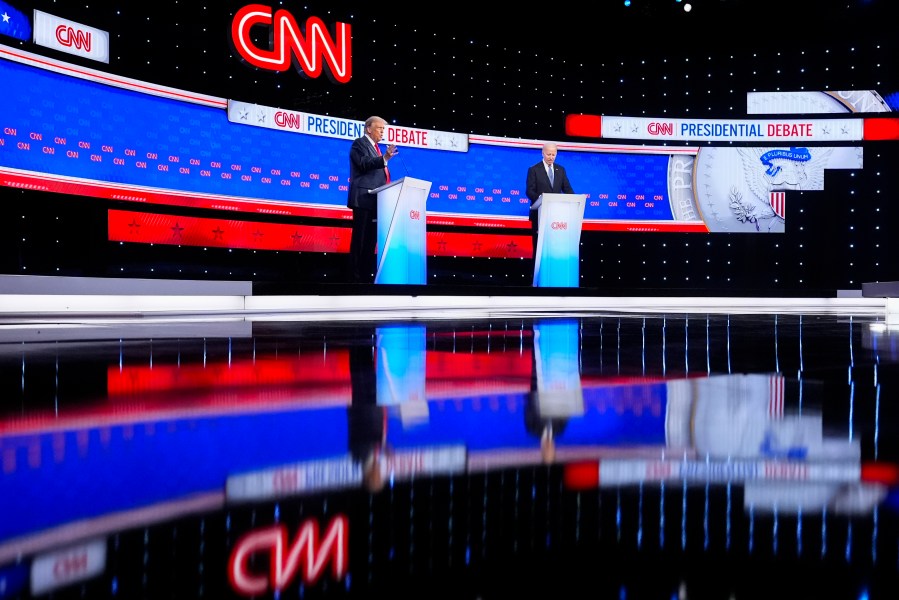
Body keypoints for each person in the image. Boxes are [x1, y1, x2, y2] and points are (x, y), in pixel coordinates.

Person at [347, 116, 398, 283]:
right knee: (360, 239)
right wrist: (384, 159)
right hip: (363, 198)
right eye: (379, 128)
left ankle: (365, 277)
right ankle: (353, 278)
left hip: (377, 200)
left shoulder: (376, 148)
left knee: (371, 240)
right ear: (369, 128)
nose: (382, 132)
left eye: (384, 129)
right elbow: (363, 164)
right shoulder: (359, 143)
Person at [525, 142, 575, 255]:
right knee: (539, 249)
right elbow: (529, 191)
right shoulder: (534, 169)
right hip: (539, 215)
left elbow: (567, 189)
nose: (551, 157)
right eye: (548, 154)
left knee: (553, 248)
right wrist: (541, 199)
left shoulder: (560, 170)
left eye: (553, 154)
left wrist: (575, 201)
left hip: (556, 217)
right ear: (542, 153)